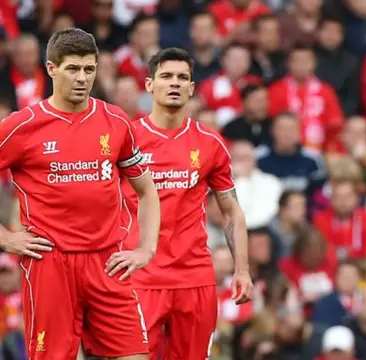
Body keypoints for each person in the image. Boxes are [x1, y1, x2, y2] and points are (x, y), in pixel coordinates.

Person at [0, 28, 161, 359]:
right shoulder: (23, 125)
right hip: (50, 263)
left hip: (108, 262)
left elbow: (147, 190)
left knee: (136, 355)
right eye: (73, 68)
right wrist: (4, 237)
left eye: (89, 69)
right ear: (51, 68)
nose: (82, 77)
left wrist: (146, 249)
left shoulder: (115, 121)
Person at [118, 47, 253, 360]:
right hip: (140, 275)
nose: (175, 83)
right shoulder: (127, 138)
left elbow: (231, 211)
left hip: (194, 277)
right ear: (149, 85)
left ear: (192, 89)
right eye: (166, 76)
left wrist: (242, 270)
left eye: (182, 78)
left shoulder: (210, 143)